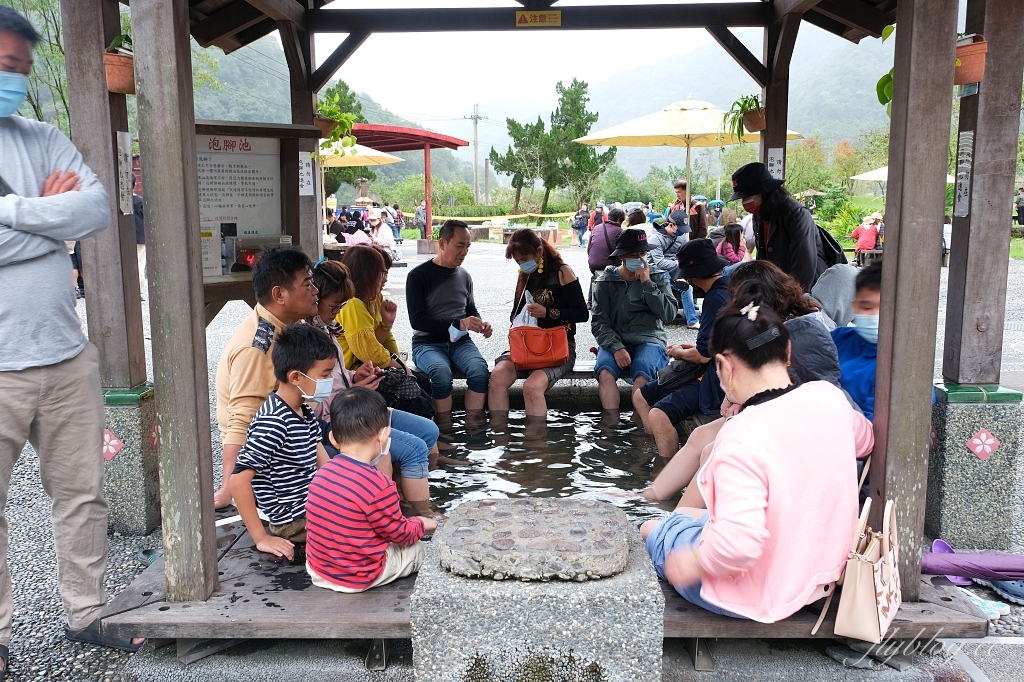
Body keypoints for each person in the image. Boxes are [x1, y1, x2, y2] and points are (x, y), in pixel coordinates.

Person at [0, 7, 146, 659]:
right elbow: (67, 220)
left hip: (66, 356)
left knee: (82, 496)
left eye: (23, 68)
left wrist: (16, 213)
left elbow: (93, 208)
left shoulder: (40, 136)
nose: (17, 79)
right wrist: (49, 224)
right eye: (6, 65)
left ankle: (85, 612)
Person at [641, 303, 873, 621]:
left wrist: (689, 564)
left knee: (651, 527)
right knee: (687, 518)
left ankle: (665, 530)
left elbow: (736, 547)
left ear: (724, 366)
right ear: (788, 351)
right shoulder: (828, 397)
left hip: (759, 594)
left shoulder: (741, 435)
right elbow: (865, 441)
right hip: (821, 575)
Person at [641, 261, 844, 505]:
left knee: (712, 451)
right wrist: (733, 396)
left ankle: (679, 522)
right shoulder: (785, 322)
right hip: (775, 408)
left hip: (800, 422)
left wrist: (741, 399)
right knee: (699, 435)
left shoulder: (804, 329)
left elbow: (793, 387)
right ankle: (655, 496)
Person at [308, 259, 439, 516]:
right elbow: (316, 396)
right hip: (339, 417)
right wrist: (353, 390)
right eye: (334, 305)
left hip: (350, 405)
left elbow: (334, 376)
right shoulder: (307, 338)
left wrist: (355, 377)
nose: (339, 311)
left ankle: (405, 496)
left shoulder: (327, 328)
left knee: (428, 430)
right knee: (414, 448)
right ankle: (420, 514)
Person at [213, 247, 319, 510]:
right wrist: (230, 486)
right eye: (307, 284)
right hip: (277, 451)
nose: (315, 290)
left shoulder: (280, 326)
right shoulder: (258, 346)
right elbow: (241, 419)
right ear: (279, 294)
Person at [305, 388, 437, 592]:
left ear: (333, 439)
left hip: (319, 571)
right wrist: (421, 523)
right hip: (359, 576)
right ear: (384, 435)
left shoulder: (322, 474)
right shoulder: (379, 486)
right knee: (421, 549)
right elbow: (400, 534)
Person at [229, 324, 335, 561]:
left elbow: (324, 464)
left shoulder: (303, 411)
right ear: (296, 377)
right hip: (293, 520)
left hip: (311, 505)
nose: (330, 380)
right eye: (325, 375)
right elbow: (238, 481)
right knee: (360, 527)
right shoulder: (274, 421)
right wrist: (261, 538)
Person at [632, 239, 729, 459]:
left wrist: (679, 353)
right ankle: (655, 445)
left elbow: (704, 356)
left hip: (715, 381)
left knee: (658, 414)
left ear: (692, 276)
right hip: (712, 370)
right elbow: (711, 345)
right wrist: (692, 349)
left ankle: (666, 468)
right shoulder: (727, 287)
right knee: (641, 396)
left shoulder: (715, 298)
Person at [488, 229, 589, 417]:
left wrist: (547, 313)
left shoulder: (563, 272)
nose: (522, 264)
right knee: (497, 376)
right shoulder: (524, 276)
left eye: (525, 258)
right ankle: (500, 438)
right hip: (526, 345)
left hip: (559, 346)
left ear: (539, 251)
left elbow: (582, 313)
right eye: (518, 261)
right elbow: (515, 314)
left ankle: (536, 443)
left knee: (532, 387)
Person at [406, 219, 492, 413]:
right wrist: (459, 323)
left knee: (480, 372)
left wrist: (480, 324)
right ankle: (444, 431)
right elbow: (417, 320)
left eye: (468, 246)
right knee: (441, 374)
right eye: (460, 245)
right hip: (427, 344)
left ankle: (473, 429)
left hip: (460, 342)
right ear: (442, 243)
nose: (464, 252)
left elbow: (469, 311)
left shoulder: (464, 276)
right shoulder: (418, 276)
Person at [591, 229, 677, 411]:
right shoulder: (605, 281)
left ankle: (639, 428)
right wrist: (616, 347)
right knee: (605, 372)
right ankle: (610, 427)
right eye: (632, 254)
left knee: (643, 373)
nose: (639, 258)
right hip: (616, 338)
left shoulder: (658, 276)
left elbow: (669, 314)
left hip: (650, 339)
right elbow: (599, 322)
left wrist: (648, 284)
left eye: (642, 253)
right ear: (621, 256)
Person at [728, 162, 826, 293]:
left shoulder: (795, 213)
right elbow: (762, 257)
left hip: (805, 290)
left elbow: (804, 264)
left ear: (763, 191)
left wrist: (795, 299)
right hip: (779, 289)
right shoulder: (759, 215)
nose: (744, 202)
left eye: (746, 196)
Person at [335, 244, 402, 370]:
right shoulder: (352, 304)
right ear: (367, 275)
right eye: (382, 273)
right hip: (352, 377)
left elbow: (377, 342)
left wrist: (386, 325)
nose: (385, 280)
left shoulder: (375, 298)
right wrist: (400, 366)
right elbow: (370, 353)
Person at [831, 262, 880, 421]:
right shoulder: (837, 338)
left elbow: (875, 429)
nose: (875, 315)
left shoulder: (904, 368)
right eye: (866, 308)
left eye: (885, 308)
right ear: (855, 306)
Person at [649, 211, 697, 329]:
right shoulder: (656, 239)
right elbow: (659, 262)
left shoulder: (681, 237)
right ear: (671, 225)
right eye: (680, 229)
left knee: (689, 285)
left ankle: (693, 319)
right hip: (657, 271)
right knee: (684, 286)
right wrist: (679, 265)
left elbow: (686, 253)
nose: (682, 232)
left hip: (675, 269)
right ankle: (692, 320)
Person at [586, 207, 625, 308]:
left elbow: (589, 248)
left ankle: (590, 302)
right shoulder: (620, 231)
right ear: (619, 220)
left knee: (594, 276)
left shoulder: (597, 227)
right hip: (609, 265)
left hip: (593, 263)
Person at [132, 173, 145, 291]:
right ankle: (138, 289)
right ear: (134, 184)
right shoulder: (140, 201)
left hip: (126, 238)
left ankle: (131, 288)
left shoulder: (119, 203)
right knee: (139, 264)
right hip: (140, 237)